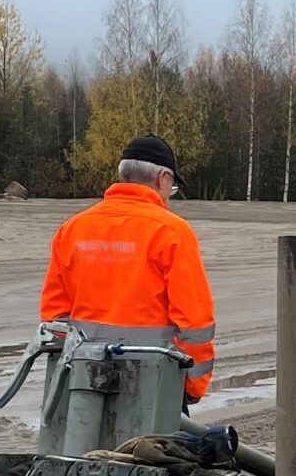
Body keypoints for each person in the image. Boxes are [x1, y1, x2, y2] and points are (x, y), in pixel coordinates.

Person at [39, 134, 219, 406]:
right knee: (151, 450)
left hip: (82, 382)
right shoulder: (172, 232)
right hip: (153, 384)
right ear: (162, 179)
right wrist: (192, 386)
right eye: (171, 188)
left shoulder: (73, 229)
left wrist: (69, 371)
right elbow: (194, 323)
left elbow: (54, 318)